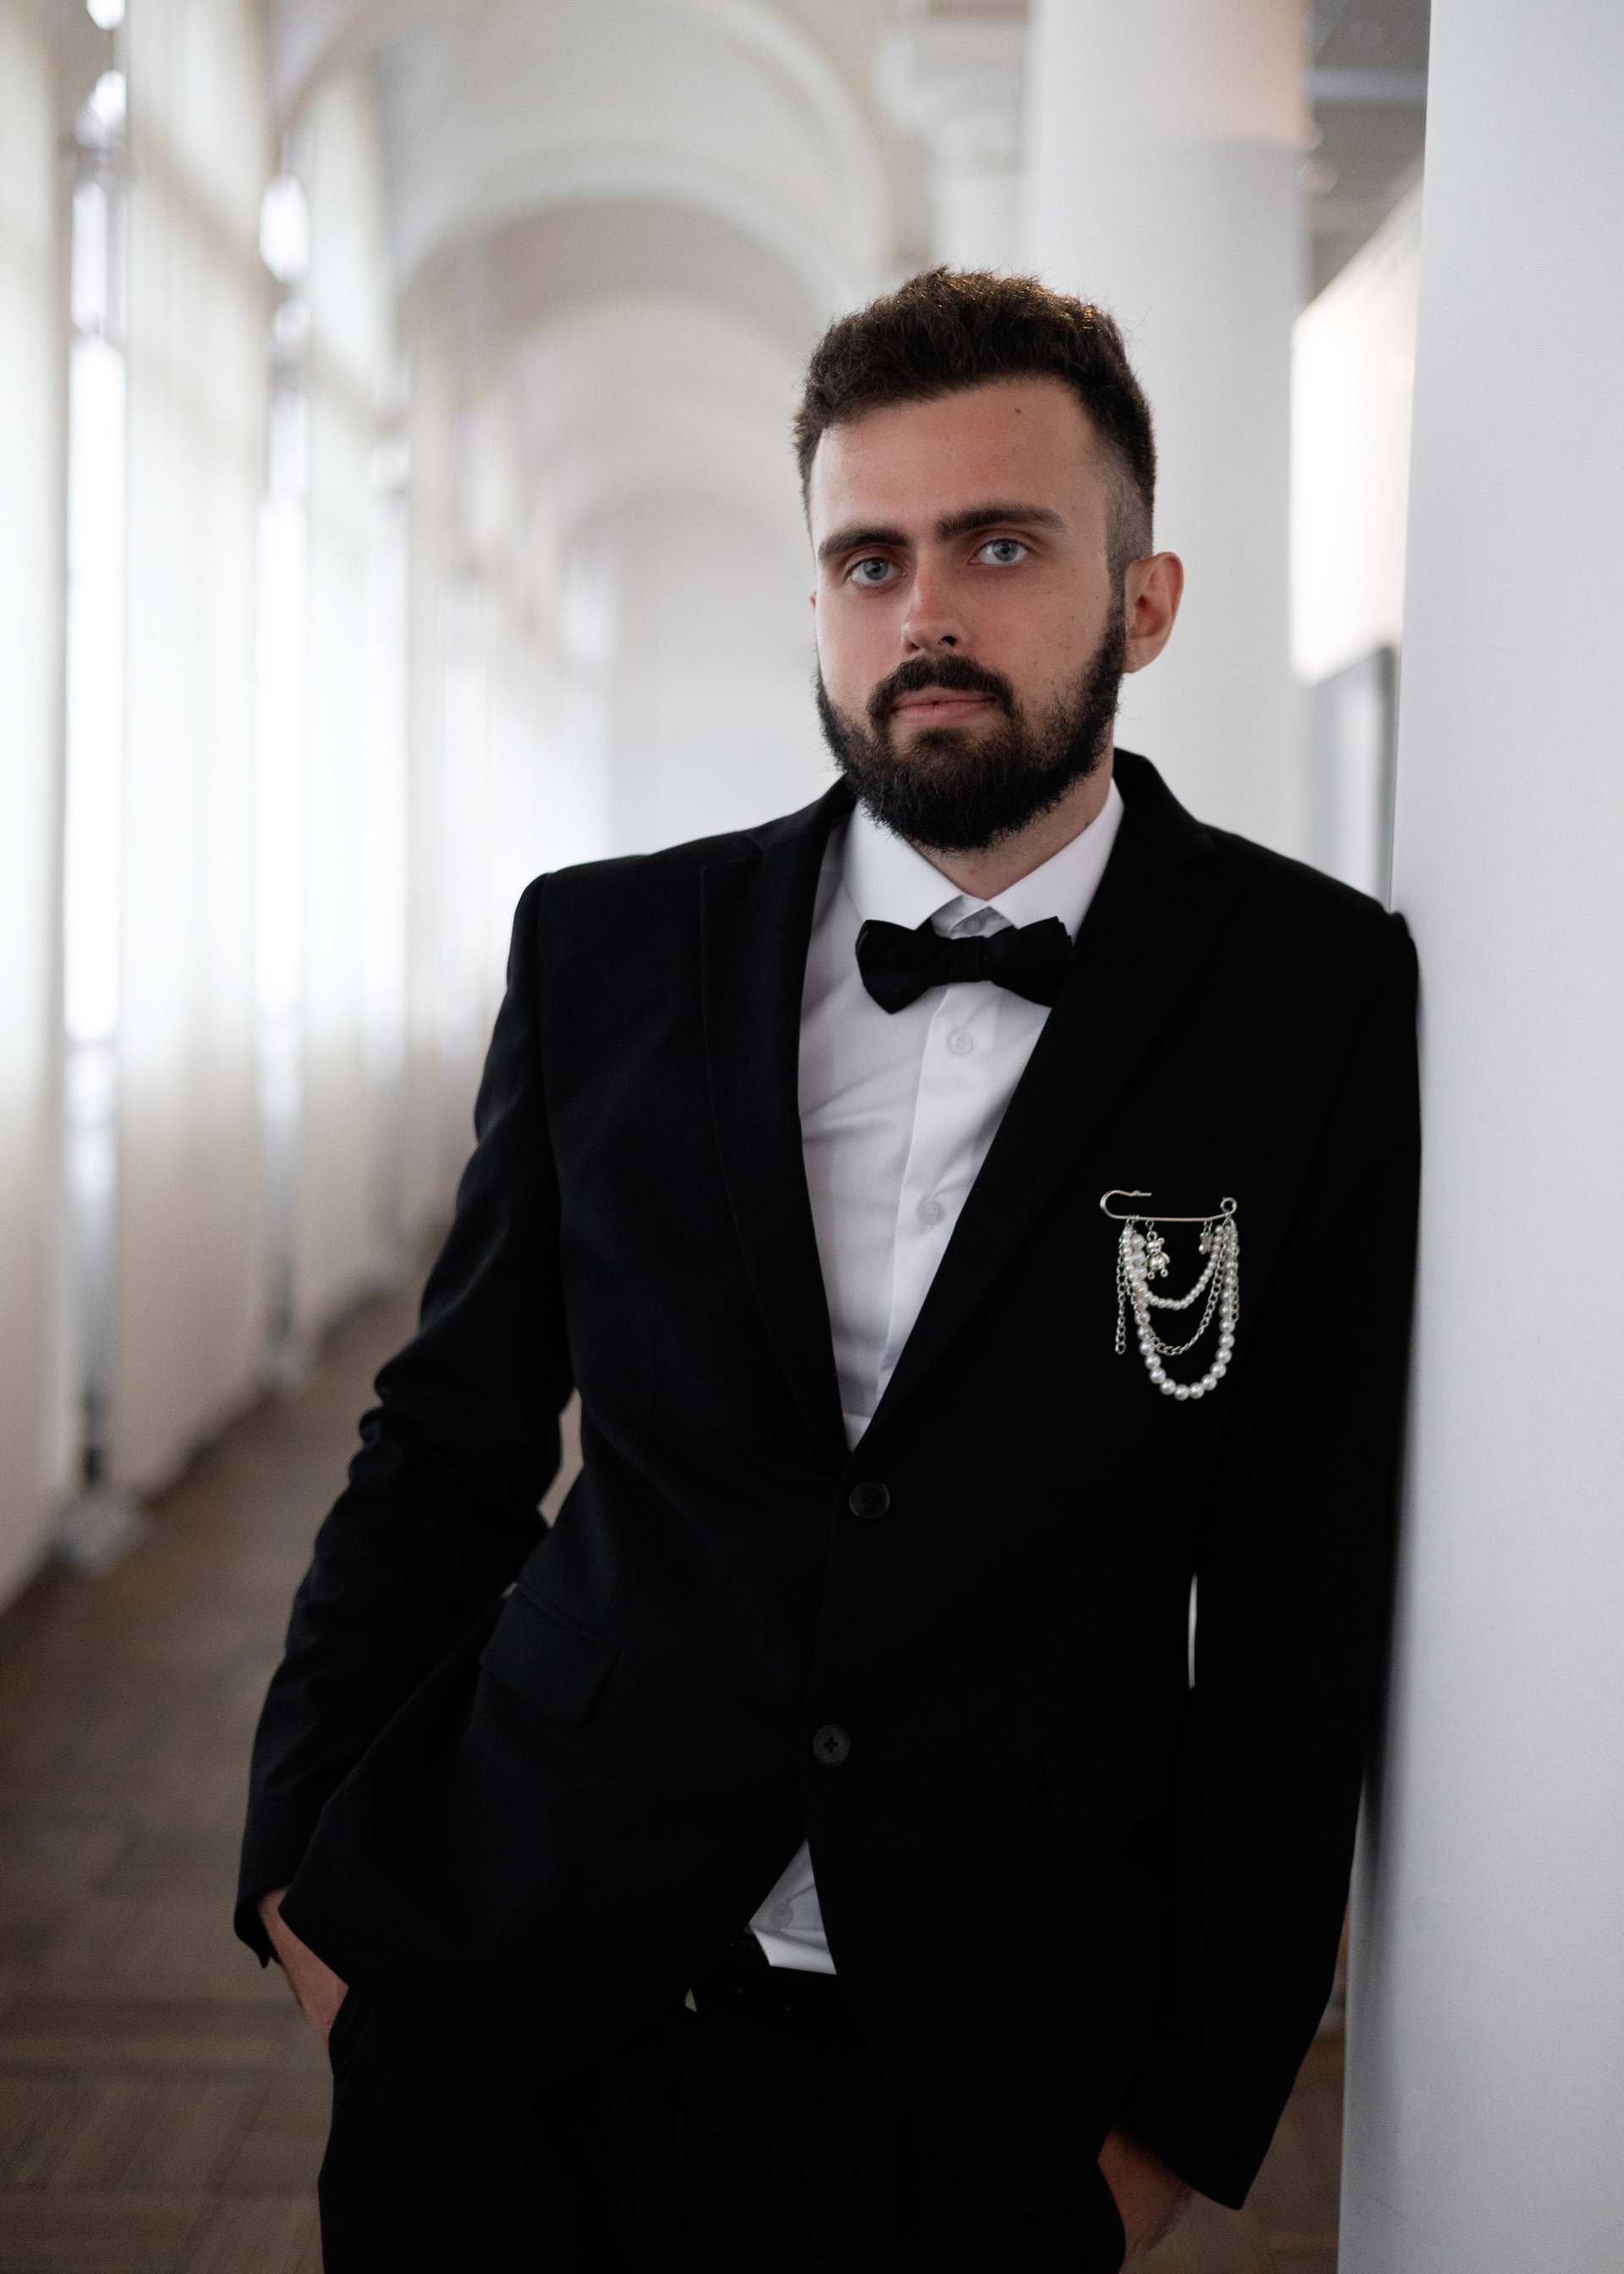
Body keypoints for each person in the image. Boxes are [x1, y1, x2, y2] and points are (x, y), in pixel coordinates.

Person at [237, 270, 1419, 2273]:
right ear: (815, 603)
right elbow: (443, 1443)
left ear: (1144, 602)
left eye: (1001, 545)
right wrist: (302, 1880)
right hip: (514, 1989)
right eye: (871, 559)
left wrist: (1184, 2116)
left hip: (988, 2076)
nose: (925, 611)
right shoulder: (606, 950)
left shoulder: (1309, 996)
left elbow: (1299, 1601)